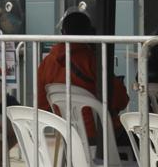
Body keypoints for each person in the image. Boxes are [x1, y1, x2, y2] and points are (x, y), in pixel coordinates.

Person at [37, 11, 130, 139]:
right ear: (90, 32)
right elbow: (121, 100)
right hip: (100, 132)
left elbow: (42, 103)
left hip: (68, 132)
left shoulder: (48, 62)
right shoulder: (93, 61)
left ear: (63, 32)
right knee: (140, 143)